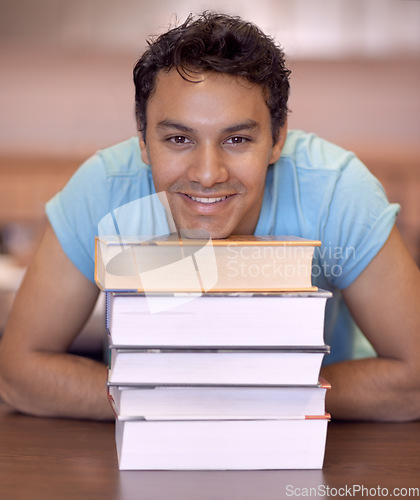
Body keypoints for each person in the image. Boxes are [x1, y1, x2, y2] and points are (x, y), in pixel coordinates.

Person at [0, 12, 419, 422]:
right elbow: (17, 373)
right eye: (178, 139)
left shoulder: (336, 191)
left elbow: (414, 378)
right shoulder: (104, 187)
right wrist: (174, 403)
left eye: (237, 139)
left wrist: (266, 398)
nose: (206, 174)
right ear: (143, 141)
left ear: (277, 140)